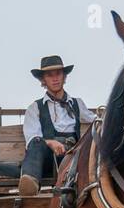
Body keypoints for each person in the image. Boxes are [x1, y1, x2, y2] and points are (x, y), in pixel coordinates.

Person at [18, 54, 96, 195]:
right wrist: (51, 143)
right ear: (43, 79)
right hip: (48, 159)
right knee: (36, 142)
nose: (55, 78)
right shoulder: (35, 108)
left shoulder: (77, 103)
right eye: (49, 75)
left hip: (74, 156)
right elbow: (32, 138)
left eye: (58, 73)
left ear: (64, 77)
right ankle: (30, 182)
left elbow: (95, 120)